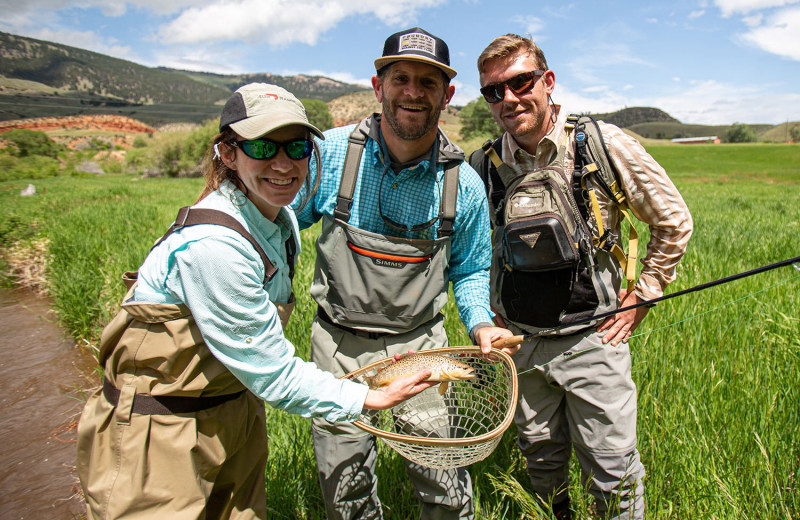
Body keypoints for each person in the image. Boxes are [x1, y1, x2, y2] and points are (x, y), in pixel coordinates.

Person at [76, 83, 436, 520]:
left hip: (233, 410)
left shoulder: (280, 221)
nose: (284, 164)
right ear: (228, 154)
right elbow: (273, 374)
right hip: (158, 429)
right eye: (263, 147)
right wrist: (368, 399)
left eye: (297, 146)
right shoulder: (214, 247)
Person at [291, 27, 515, 520]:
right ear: (378, 86)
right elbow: (279, 223)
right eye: (401, 78)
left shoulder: (465, 184)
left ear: (447, 95)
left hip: (422, 348)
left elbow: (473, 267)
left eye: (428, 83)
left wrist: (479, 324)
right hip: (339, 346)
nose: (413, 92)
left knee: (444, 482)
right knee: (343, 488)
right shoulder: (329, 156)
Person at [472, 35, 693, 519]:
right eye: (494, 91)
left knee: (613, 474)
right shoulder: (483, 165)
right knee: (541, 466)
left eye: (520, 82)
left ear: (547, 82)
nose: (508, 99)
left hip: (593, 341)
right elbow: (472, 250)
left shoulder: (600, 144)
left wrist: (646, 292)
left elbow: (673, 219)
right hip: (520, 345)